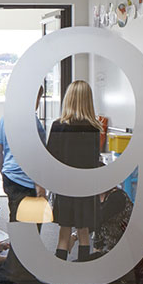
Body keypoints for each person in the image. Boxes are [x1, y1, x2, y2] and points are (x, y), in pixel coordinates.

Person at [46, 79, 103, 261]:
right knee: (84, 233)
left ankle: (60, 281)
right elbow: (94, 160)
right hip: (86, 187)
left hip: (65, 186)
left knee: (64, 234)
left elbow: (50, 158)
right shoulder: (95, 128)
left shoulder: (58, 126)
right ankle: (82, 277)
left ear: (68, 99)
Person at [0, 105, 47, 224]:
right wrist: (39, 183)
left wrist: (4, 171)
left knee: (16, 219)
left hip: (11, 177)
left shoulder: (5, 119)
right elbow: (37, 153)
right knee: (32, 225)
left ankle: (15, 242)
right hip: (28, 180)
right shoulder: (33, 122)